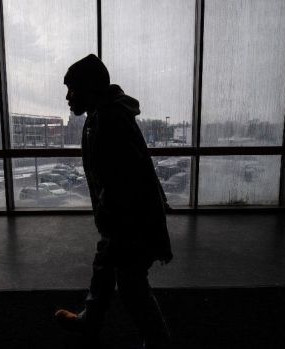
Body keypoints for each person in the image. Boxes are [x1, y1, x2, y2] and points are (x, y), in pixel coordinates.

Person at [54, 54, 173, 349]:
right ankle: (89, 323)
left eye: (73, 89)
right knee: (106, 271)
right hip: (127, 220)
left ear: (90, 87)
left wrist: (115, 224)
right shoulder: (103, 115)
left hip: (131, 223)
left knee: (132, 287)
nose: (68, 97)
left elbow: (125, 182)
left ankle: (157, 343)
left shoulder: (108, 119)